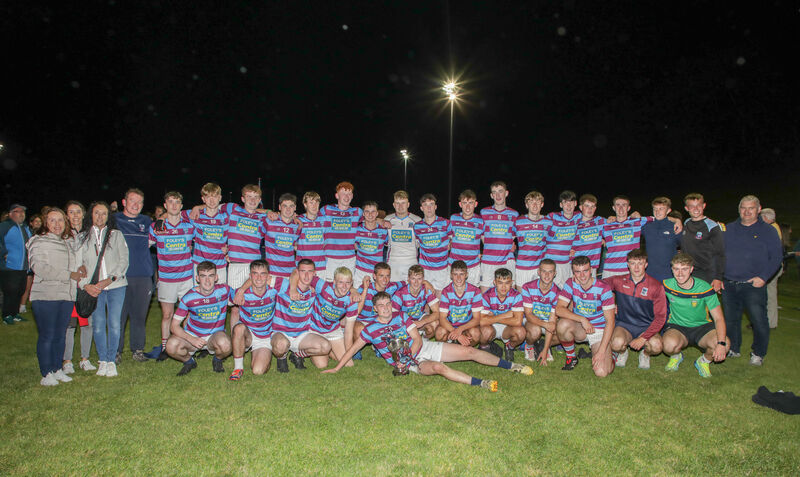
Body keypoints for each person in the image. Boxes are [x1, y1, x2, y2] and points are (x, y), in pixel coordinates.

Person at [322, 292, 533, 392]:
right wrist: (337, 367)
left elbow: (416, 338)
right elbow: (353, 349)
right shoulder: (370, 329)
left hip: (421, 348)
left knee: (468, 351)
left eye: (388, 304)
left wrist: (408, 356)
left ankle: (513, 366)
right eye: (381, 305)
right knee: (438, 368)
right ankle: (482, 383)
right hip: (411, 363)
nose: (386, 308)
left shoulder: (401, 317)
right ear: (375, 309)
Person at [721, 195, 782, 366]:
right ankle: (733, 348)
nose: (747, 212)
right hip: (729, 283)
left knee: (758, 320)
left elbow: (776, 257)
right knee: (731, 320)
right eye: (743, 208)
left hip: (753, 285)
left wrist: (764, 277)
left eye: (751, 208)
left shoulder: (768, 230)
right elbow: (719, 254)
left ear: (759, 209)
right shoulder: (729, 229)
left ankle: (758, 353)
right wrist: (720, 276)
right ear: (739, 209)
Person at [27, 207, 85, 386]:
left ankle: (57, 369)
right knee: (47, 334)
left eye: (60, 220)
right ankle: (46, 373)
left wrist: (80, 269)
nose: (57, 224)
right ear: (45, 222)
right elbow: (40, 268)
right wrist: (69, 274)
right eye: (52, 220)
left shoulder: (68, 242)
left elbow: (77, 264)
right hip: (45, 295)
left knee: (61, 335)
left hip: (66, 296)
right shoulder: (38, 241)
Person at [78, 202, 129, 377]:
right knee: (98, 325)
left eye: (104, 213)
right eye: (96, 213)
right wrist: (86, 284)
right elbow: (78, 266)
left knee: (114, 324)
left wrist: (109, 279)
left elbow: (124, 261)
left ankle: (111, 361)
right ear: (91, 215)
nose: (100, 217)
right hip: (94, 289)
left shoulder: (117, 235)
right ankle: (103, 360)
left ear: (109, 216)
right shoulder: (83, 237)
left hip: (115, 286)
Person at [662, 253, 729, 377]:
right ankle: (676, 357)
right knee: (668, 345)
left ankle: (703, 361)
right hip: (678, 326)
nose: (680, 274)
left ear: (691, 269)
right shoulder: (666, 285)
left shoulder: (705, 288)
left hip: (702, 327)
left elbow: (719, 318)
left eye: (684, 269)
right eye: (676, 269)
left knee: (724, 344)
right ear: (672, 270)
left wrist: (721, 344)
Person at [149, 192, 195, 361]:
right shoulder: (157, 226)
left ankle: (189, 345)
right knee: (167, 315)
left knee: (188, 315)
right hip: (167, 279)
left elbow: (204, 242)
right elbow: (145, 246)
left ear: (181, 206)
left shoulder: (189, 226)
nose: (174, 205)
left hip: (186, 278)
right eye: (171, 202)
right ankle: (164, 348)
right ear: (165, 205)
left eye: (177, 202)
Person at [166, 261, 232, 376]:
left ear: (216, 277)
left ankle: (217, 359)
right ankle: (189, 361)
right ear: (197, 278)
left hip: (214, 336)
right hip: (193, 336)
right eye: (203, 276)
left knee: (226, 345)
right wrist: (192, 339)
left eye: (211, 276)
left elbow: (242, 295)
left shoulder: (224, 290)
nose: (207, 281)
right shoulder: (188, 297)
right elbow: (174, 326)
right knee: (171, 346)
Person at [604, 249, 667, 369]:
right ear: (628, 264)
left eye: (640, 263)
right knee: (616, 344)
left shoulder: (656, 286)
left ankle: (645, 354)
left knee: (656, 346)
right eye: (633, 263)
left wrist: (643, 338)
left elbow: (660, 317)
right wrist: (611, 304)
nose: (636, 267)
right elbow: (598, 285)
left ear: (646, 264)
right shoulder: (618, 281)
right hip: (624, 325)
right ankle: (622, 352)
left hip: (646, 326)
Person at [555, 256, 616, 376]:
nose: (582, 275)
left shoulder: (603, 288)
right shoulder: (570, 283)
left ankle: (612, 355)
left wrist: (601, 352)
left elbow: (610, 322)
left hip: (599, 330)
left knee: (602, 373)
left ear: (591, 270)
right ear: (573, 272)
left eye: (585, 271)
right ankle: (571, 357)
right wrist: (582, 319)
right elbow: (559, 309)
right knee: (562, 324)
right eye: (578, 272)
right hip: (580, 327)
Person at [269, 259, 332, 372]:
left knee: (325, 347)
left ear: (315, 273)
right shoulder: (284, 285)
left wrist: (353, 290)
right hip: (282, 332)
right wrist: (241, 291)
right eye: (303, 271)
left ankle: (297, 355)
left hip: (302, 334)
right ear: (297, 272)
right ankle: (282, 358)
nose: (306, 276)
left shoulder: (315, 290)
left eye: (310, 271)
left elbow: (337, 287)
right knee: (281, 345)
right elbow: (261, 278)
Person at [114, 188, 153, 362]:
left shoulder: (147, 221)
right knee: (119, 316)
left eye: (139, 202)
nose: (135, 205)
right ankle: (116, 351)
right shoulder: (114, 220)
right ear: (124, 202)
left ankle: (137, 350)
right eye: (132, 200)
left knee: (139, 315)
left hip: (143, 276)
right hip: (120, 275)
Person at [601, 195, 681, 278]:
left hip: (634, 270)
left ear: (628, 208)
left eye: (624, 205)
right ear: (613, 207)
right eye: (618, 205)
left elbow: (660, 218)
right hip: (611, 270)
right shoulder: (606, 224)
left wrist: (677, 220)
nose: (621, 208)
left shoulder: (639, 222)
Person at [228, 260, 277, 380]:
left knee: (258, 371)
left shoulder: (274, 291)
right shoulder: (241, 293)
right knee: (238, 328)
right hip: (248, 335)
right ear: (250, 276)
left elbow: (295, 283)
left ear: (268, 276)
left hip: (265, 337)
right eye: (255, 273)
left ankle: (260, 354)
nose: (259, 278)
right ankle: (238, 368)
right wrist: (240, 291)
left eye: (263, 274)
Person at [62, 200, 96, 373]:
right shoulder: (63, 235)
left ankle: (85, 358)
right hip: (69, 284)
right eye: (71, 212)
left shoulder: (90, 234)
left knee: (87, 322)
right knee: (70, 324)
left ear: (84, 214)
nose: (75, 215)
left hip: (86, 284)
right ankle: (67, 361)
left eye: (78, 212)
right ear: (66, 215)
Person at [680, 193, 725, 292]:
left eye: (698, 205)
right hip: (689, 271)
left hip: (706, 272)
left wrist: (718, 277)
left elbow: (720, 253)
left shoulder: (712, 226)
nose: (696, 209)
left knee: (705, 305)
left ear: (704, 206)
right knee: (690, 304)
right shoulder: (686, 223)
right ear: (686, 208)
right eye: (692, 206)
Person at [479, 268, 526, 361]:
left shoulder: (517, 295)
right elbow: (482, 321)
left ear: (512, 283)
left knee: (521, 332)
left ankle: (510, 347)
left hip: (508, 327)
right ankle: (485, 347)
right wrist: (504, 315)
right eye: (500, 283)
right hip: (492, 326)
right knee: (485, 332)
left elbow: (517, 322)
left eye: (507, 283)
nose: (503, 287)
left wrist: (493, 317)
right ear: (494, 282)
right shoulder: (487, 295)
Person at [479, 181, 518, 291]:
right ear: (491, 195)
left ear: (506, 193)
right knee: (485, 296)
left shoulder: (514, 214)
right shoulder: (484, 212)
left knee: (510, 295)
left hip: (507, 261)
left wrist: (508, 246)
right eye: (494, 192)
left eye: (500, 192)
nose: (498, 195)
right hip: (488, 261)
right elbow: (482, 236)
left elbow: (514, 236)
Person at [188, 183, 229, 284]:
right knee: (199, 297)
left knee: (220, 297)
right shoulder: (195, 215)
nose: (211, 200)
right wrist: (161, 218)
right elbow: (173, 213)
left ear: (220, 198)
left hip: (219, 265)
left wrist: (229, 248)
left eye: (215, 197)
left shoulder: (227, 217)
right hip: (200, 265)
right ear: (203, 199)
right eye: (208, 197)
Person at [520, 258, 560, 364]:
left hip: (547, 321)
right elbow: (528, 315)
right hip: (531, 321)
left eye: (550, 272)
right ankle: (529, 346)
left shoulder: (558, 292)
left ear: (555, 273)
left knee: (564, 333)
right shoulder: (527, 287)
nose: (547, 275)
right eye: (544, 271)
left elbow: (552, 321)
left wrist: (545, 350)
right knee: (535, 331)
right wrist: (545, 324)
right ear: (539, 272)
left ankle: (545, 346)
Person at [321, 182, 363, 281]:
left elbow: (371, 219)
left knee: (347, 287)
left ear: (352, 196)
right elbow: (311, 217)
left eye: (349, 193)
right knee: (329, 287)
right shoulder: (326, 210)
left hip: (349, 258)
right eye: (343, 193)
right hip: (330, 258)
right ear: (337, 195)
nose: (346, 196)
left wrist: (381, 220)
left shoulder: (357, 212)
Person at [435, 260, 483, 347]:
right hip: (451, 326)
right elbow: (442, 318)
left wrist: (460, 330)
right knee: (439, 333)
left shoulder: (475, 291)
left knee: (476, 334)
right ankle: (453, 343)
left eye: (461, 274)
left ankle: (462, 348)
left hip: (467, 326)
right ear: (451, 275)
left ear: (466, 275)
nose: (458, 278)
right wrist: (455, 331)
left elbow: (477, 319)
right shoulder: (446, 291)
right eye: (455, 274)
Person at [413, 193, 451, 296]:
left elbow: (453, 239)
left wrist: (450, 244)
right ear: (421, 208)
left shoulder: (446, 223)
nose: (429, 208)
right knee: (425, 298)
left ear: (435, 207)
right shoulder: (417, 226)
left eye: (431, 204)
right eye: (425, 205)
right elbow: (417, 244)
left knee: (441, 298)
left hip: (442, 268)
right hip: (425, 268)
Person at [1, 203, 32, 325]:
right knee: (10, 291)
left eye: (23, 212)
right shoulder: (5, 226)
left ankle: (15, 313)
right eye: (18, 211)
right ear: (10, 214)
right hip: (9, 266)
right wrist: (3, 252)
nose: (21, 214)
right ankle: (6, 315)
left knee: (20, 290)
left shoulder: (25, 228)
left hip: (23, 266)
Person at [514, 191, 552, 291]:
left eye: (538, 202)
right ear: (527, 205)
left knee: (539, 300)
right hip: (522, 267)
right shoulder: (518, 222)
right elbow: (507, 238)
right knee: (521, 301)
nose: (535, 205)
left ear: (542, 204)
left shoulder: (548, 222)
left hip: (541, 268)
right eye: (531, 202)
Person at [391, 265, 439, 339]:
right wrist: (407, 325)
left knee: (435, 323)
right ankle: (414, 338)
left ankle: (424, 340)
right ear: (408, 279)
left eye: (419, 279)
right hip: (404, 322)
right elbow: (392, 316)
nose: (416, 282)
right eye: (413, 279)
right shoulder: (400, 293)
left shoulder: (426, 290)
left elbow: (437, 312)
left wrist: (421, 323)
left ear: (423, 279)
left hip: (419, 319)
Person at [544, 190, 581, 288]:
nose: (568, 206)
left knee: (569, 293)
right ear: (561, 205)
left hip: (567, 263)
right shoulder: (552, 217)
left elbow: (593, 223)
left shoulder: (579, 217)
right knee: (550, 293)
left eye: (571, 202)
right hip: (551, 263)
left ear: (575, 203)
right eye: (565, 202)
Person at [640, 197, 682, 282]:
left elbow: (686, 248)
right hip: (650, 274)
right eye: (655, 209)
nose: (657, 212)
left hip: (670, 275)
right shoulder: (646, 227)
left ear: (668, 210)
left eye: (661, 209)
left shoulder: (675, 227)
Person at [448, 189, 484, 287]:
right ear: (460, 204)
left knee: (473, 296)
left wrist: (482, 254)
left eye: (471, 203)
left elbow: (487, 242)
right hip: (454, 266)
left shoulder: (481, 221)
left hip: (472, 266)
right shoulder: (453, 219)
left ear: (475, 204)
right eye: (465, 203)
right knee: (452, 295)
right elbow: (446, 238)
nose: (467, 206)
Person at [385, 190, 421, 282]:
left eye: (403, 203)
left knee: (411, 293)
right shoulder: (387, 220)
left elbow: (422, 243)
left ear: (408, 204)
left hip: (411, 262)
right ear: (393, 205)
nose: (400, 206)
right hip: (393, 263)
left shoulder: (417, 220)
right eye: (397, 203)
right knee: (391, 293)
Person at [263, 193, 301, 278]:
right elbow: (253, 211)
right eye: (285, 206)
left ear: (295, 208)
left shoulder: (298, 225)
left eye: (291, 206)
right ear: (279, 207)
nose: (288, 209)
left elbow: (298, 246)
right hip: (272, 274)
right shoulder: (269, 221)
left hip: (291, 274)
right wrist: (268, 211)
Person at [353, 201, 389, 285]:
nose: (370, 215)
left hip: (377, 273)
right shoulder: (356, 230)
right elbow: (353, 246)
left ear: (377, 213)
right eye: (367, 212)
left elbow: (389, 246)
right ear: (363, 214)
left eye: (373, 212)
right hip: (360, 271)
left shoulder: (384, 231)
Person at [296, 191, 330, 280]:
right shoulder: (298, 220)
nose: (314, 205)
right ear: (305, 204)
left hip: (321, 268)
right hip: (303, 268)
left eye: (316, 202)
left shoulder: (325, 220)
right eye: (311, 202)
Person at [759, 208, 782, 329]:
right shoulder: (775, 227)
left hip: (771, 267)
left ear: (766, 218)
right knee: (769, 294)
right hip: (772, 267)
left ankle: (769, 322)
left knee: (769, 295)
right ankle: (768, 321)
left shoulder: (772, 229)